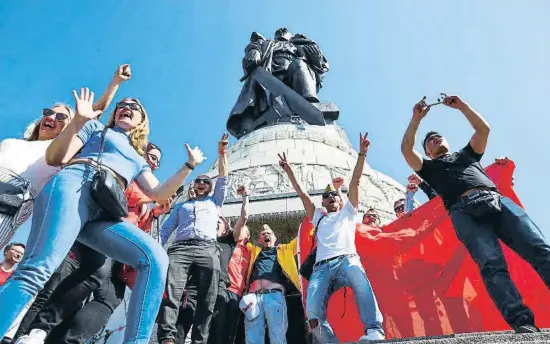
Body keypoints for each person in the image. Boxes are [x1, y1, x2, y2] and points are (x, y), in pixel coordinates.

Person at [0, 87, 206, 344]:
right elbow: (56, 157)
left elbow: (159, 193)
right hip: (74, 184)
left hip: (105, 207)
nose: (126, 107)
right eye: (121, 104)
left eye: (135, 106)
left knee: (155, 259)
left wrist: (188, 167)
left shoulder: (137, 158)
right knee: (38, 270)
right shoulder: (95, 128)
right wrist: (79, 121)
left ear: (142, 121)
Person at [400, 94, 550, 333]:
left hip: (497, 201)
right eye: (429, 140)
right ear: (428, 152)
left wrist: (461, 107)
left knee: (539, 248)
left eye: (438, 136)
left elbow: (483, 129)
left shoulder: (468, 154)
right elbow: (406, 149)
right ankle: (522, 322)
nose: (435, 138)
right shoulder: (428, 169)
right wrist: (416, 119)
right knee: (492, 265)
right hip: (463, 212)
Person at [15, 142, 169, 344]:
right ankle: (40, 328)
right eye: (150, 155)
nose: (152, 160)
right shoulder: (130, 170)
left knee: (109, 299)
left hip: (121, 255)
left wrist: (154, 213)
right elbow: (118, 193)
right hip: (101, 232)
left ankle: (68, 340)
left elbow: (139, 227)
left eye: (156, 159)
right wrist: (150, 198)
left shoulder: (148, 199)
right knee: (91, 274)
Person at [0, 64, 131, 250]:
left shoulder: (58, 148)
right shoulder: (9, 142)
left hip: (7, 205)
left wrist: (116, 82)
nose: (52, 117)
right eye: (48, 112)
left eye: (61, 117)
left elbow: (91, 115)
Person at [279, 132, 384, 343]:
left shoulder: (348, 213)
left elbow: (355, 182)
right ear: (323, 202)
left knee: (363, 287)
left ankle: (374, 330)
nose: (330, 198)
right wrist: (289, 170)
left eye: (334, 195)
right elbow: (302, 193)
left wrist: (362, 155)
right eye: (326, 197)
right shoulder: (318, 217)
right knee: (313, 314)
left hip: (348, 259)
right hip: (321, 268)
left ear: (339, 199)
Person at [157, 134, 229, 344]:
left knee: (208, 298)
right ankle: (167, 337)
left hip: (207, 249)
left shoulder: (215, 202)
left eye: (206, 182)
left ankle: (199, 340)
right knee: (173, 293)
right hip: (180, 250)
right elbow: (166, 229)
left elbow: (224, 178)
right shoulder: (181, 206)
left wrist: (222, 153)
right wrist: (156, 249)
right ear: (194, 185)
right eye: (198, 181)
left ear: (210, 187)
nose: (201, 183)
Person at [233, 218, 300, 344]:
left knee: (277, 336)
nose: (266, 235)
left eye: (269, 233)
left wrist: (313, 216)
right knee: (253, 338)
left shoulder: (284, 250)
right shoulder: (253, 251)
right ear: (259, 240)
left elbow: (301, 239)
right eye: (263, 234)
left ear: (275, 238)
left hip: (275, 296)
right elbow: (239, 237)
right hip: (253, 298)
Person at [208, 186, 251, 344]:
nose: (241, 230)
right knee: (216, 327)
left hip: (238, 294)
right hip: (221, 288)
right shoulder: (217, 241)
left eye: (244, 230)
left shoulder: (247, 249)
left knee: (232, 331)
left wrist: (246, 197)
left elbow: (244, 217)